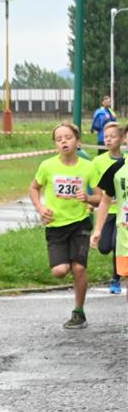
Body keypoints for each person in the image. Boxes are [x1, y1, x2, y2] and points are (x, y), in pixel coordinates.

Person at [29, 122, 99, 329]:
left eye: (68, 137)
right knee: (60, 271)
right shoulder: (47, 166)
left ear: (78, 142)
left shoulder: (88, 166)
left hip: (80, 224)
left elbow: (100, 197)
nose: (64, 142)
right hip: (56, 225)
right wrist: (40, 208)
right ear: (55, 145)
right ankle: (66, 260)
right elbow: (33, 188)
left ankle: (79, 312)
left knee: (79, 268)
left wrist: (88, 198)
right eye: (59, 139)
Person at [91, 133, 127, 320]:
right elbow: (105, 200)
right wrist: (98, 229)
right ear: (125, 139)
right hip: (125, 234)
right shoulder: (118, 168)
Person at [88, 120, 124, 295]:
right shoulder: (99, 161)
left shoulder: (124, 160)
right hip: (108, 210)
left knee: (117, 243)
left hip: (122, 215)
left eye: (112, 136)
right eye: (106, 136)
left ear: (122, 138)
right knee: (104, 247)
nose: (108, 140)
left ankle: (116, 278)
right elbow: (97, 187)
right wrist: (96, 199)